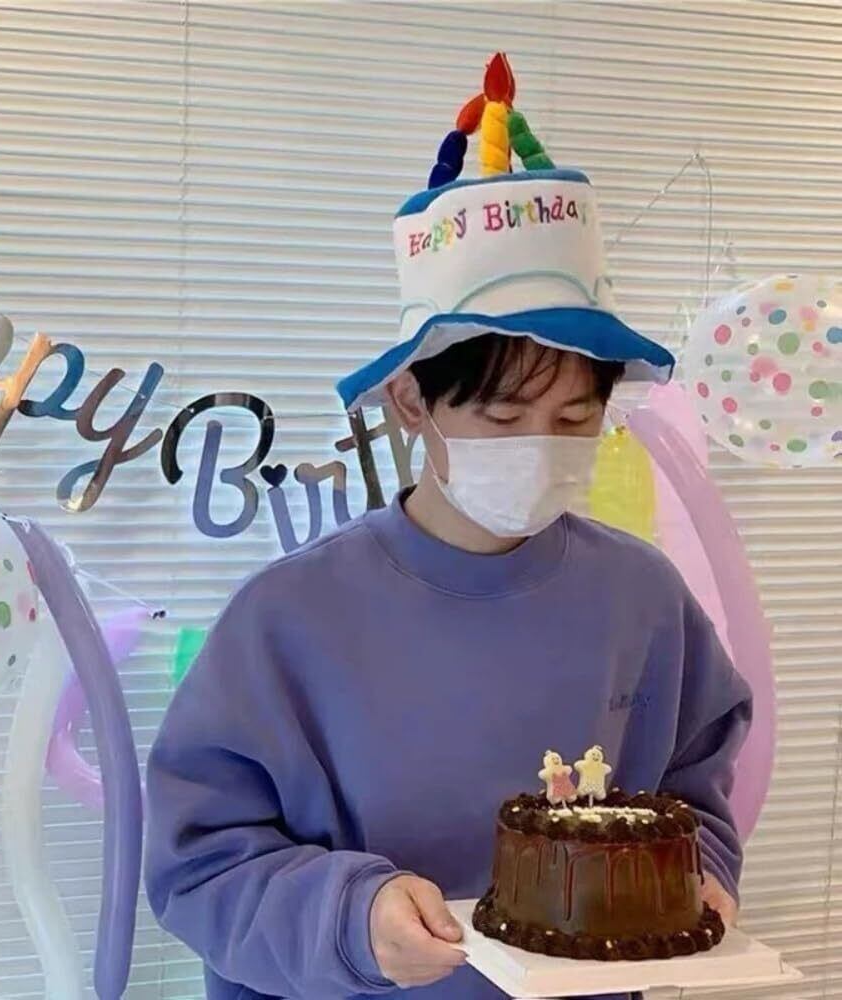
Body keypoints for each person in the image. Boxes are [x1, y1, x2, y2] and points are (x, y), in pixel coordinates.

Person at [145, 53, 752, 1000]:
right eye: (504, 418)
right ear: (410, 402)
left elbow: (696, 789)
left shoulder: (642, 599)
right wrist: (350, 920)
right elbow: (200, 866)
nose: (541, 447)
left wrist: (698, 877)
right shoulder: (290, 617)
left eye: (574, 418)